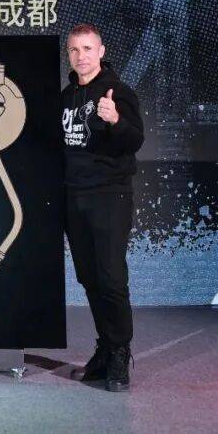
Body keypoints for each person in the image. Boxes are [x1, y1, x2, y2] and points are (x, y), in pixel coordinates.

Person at [61, 23, 144, 392]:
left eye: (88, 49)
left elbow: (135, 139)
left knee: (110, 278)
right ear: (69, 54)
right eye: (75, 49)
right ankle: (105, 347)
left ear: (101, 51)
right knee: (89, 277)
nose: (81, 56)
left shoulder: (118, 93)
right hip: (73, 197)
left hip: (109, 195)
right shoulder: (66, 97)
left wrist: (116, 121)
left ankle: (120, 352)